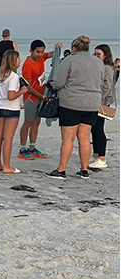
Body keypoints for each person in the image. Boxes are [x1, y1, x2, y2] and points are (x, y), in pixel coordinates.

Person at [47, 35, 106, 180]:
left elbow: (59, 82)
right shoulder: (98, 63)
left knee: (68, 138)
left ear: (74, 48)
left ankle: (62, 170)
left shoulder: (69, 61)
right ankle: (84, 169)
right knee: (84, 137)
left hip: (71, 103)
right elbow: (102, 82)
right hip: (92, 104)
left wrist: (50, 85)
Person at [18, 39, 63, 160]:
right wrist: (42, 96)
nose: (39, 54)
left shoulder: (41, 57)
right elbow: (28, 86)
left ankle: (32, 147)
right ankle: (22, 149)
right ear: (31, 51)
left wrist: (57, 47)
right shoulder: (27, 65)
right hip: (31, 98)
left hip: (41, 95)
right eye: (37, 52)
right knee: (28, 122)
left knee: (36, 122)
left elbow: (52, 54)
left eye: (41, 52)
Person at [0, 50, 28, 173]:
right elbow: (11, 96)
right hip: (10, 109)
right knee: (8, 139)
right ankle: (7, 166)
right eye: (18, 59)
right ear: (13, 60)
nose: (20, 61)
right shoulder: (13, 77)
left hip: (0, 107)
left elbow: (0, 93)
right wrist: (22, 91)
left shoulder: (1, 75)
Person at [89, 44, 116, 169]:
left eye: (98, 54)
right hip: (97, 101)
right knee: (94, 129)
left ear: (106, 56)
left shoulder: (107, 68)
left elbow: (107, 86)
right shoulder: (99, 67)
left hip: (102, 102)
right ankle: (96, 155)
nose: (96, 56)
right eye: (94, 54)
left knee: (98, 129)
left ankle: (101, 157)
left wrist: (97, 99)